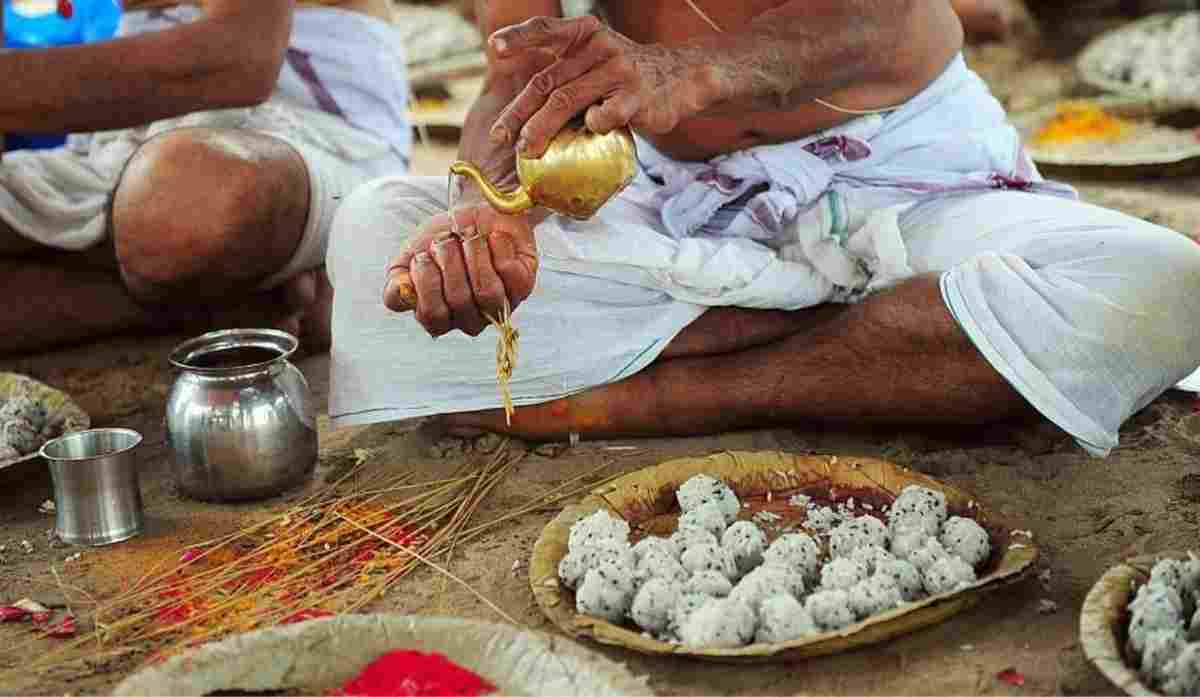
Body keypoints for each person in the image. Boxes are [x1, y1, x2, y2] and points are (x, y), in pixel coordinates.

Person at [327, 0, 1200, 458]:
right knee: (376, 237)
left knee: (1161, 284)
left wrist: (691, 71)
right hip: (675, 208)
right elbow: (505, 87)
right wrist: (492, 208)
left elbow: (884, 16)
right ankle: (888, 333)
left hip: (908, 178)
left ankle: (673, 393)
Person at [0, 0, 410, 355]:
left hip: (308, 137)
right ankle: (234, 302)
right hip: (127, 139)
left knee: (183, 197)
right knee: (162, 207)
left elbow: (240, 57)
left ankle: (217, 274)